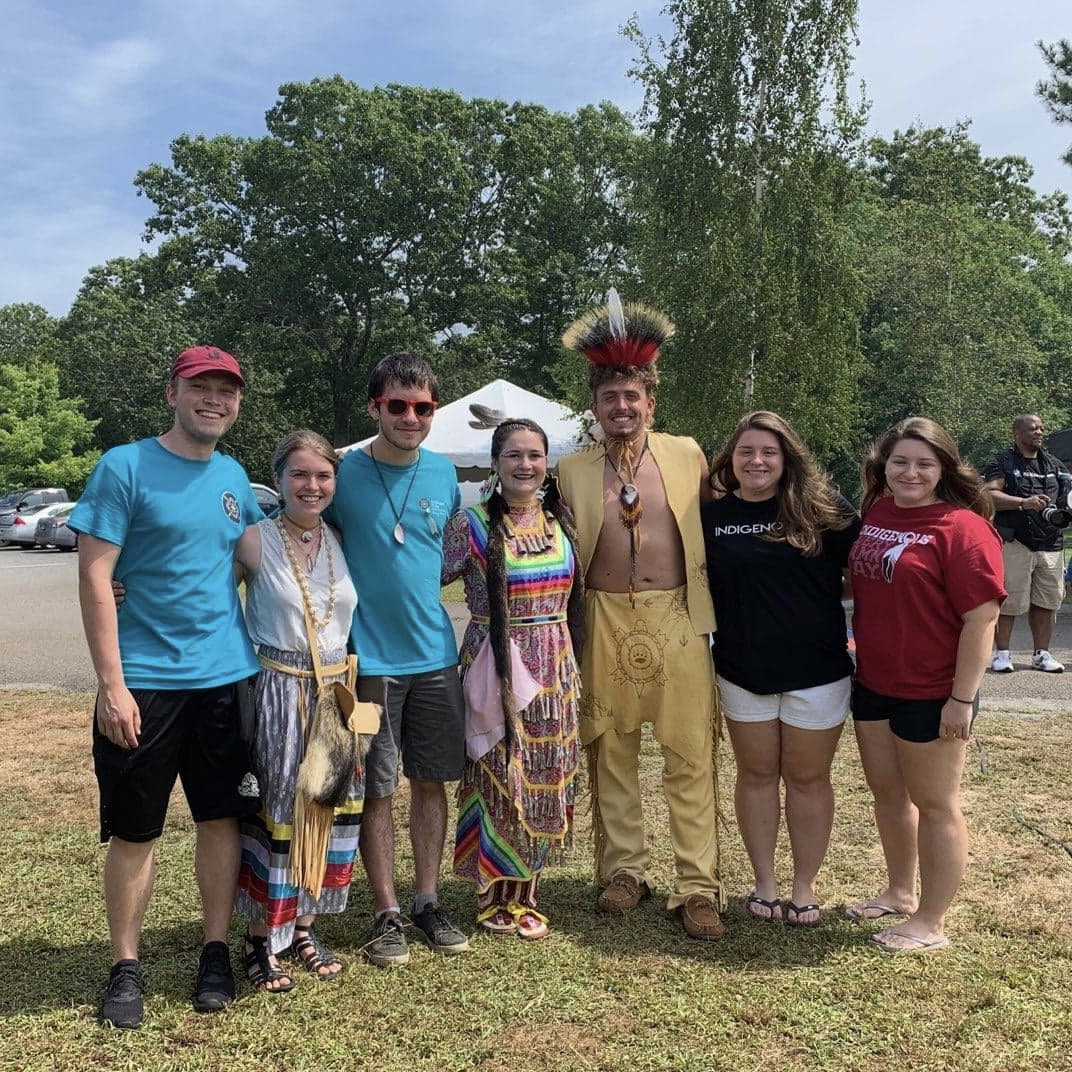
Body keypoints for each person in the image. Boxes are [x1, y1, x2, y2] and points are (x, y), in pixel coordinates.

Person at [69, 345, 262, 1028]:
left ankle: (215, 951)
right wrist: (111, 685)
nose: (215, 399)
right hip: (144, 684)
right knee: (136, 830)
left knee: (221, 819)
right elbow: (95, 576)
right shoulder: (124, 465)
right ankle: (125, 965)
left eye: (227, 390)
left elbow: (260, 562)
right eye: (200, 387)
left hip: (226, 679)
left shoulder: (235, 475)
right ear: (171, 393)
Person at [557, 291, 725, 940]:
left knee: (688, 756)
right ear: (594, 407)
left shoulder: (687, 454)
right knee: (612, 752)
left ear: (651, 402)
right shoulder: (569, 470)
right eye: (609, 399)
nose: (621, 408)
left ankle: (698, 886)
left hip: (678, 617)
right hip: (601, 618)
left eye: (633, 397)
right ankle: (624, 871)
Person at [327, 352, 469, 967]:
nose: (410, 417)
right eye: (397, 406)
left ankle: (427, 899)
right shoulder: (340, 474)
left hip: (436, 657)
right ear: (374, 408)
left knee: (431, 782)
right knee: (377, 789)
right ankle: (385, 911)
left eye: (422, 407)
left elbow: (462, 559)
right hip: (370, 664)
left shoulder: (444, 477)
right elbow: (284, 532)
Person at [848, 417, 1004, 952]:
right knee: (889, 796)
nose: (910, 472)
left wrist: (961, 700)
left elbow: (982, 619)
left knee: (935, 803)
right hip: (873, 681)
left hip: (934, 690)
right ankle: (899, 893)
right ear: (883, 466)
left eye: (923, 463)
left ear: (943, 469)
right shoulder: (879, 512)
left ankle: (931, 922)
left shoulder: (962, 528)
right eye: (899, 462)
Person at [702, 411, 860, 927]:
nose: (757, 461)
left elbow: (863, 574)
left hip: (817, 670)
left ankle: (804, 886)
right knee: (757, 774)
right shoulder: (713, 517)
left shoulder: (824, 510)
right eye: (746, 451)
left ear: (787, 457)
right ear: (732, 459)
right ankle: (765, 883)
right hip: (741, 671)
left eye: (769, 451)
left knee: (809, 777)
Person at [441, 418, 584, 938]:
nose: (525, 464)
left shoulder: (562, 523)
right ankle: (494, 888)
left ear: (547, 464)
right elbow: (421, 577)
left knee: (545, 771)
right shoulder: (473, 523)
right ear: (495, 464)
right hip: (495, 662)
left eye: (534, 455)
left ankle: (528, 889)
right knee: (498, 773)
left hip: (554, 665)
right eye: (513, 455)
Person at [233, 430, 362, 989]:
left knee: (327, 805)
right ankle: (262, 937)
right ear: (280, 479)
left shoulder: (337, 537)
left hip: (336, 694)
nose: (312, 486)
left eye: (323, 475)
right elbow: (203, 597)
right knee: (280, 808)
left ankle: (304, 925)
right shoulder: (253, 541)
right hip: (280, 690)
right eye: (300, 475)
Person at [982, 414, 1069, 674]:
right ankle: (1002, 654)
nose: (1039, 433)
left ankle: (1041, 655)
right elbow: (988, 494)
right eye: (1033, 429)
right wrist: (1023, 502)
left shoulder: (1054, 464)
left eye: (1042, 428)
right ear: (1016, 433)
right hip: (1015, 541)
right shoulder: (1002, 461)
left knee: (1048, 601)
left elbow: (1067, 495)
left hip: (1051, 543)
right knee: (1009, 600)